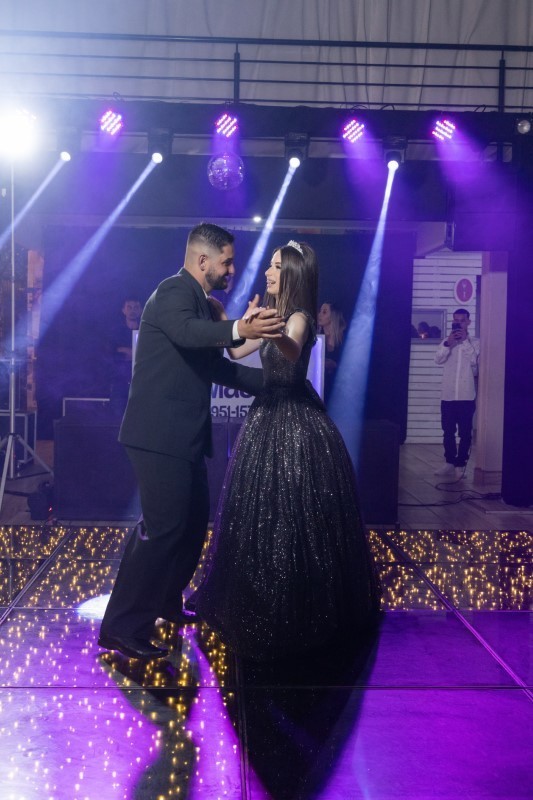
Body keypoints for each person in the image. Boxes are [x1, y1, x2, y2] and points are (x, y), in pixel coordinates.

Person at [98, 223, 285, 660]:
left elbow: (214, 367)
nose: (232, 270)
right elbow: (188, 333)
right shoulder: (173, 293)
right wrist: (240, 327)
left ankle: (165, 600)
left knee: (192, 523)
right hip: (157, 435)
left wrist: (274, 384)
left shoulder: (201, 303)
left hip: (183, 437)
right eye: (227, 262)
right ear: (203, 261)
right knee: (162, 530)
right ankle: (121, 628)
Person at [194, 241, 381, 660]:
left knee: (296, 512)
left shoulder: (298, 317)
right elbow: (236, 350)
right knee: (260, 513)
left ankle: (298, 606)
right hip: (266, 414)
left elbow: (293, 349)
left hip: (295, 420)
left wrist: (271, 329)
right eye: (270, 265)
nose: (268, 272)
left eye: (276, 266)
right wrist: (228, 319)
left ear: (293, 273)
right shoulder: (273, 314)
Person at [434, 308, 480, 477]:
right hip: (448, 395)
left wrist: (464, 342)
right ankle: (449, 462)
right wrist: (449, 344)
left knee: (465, 433)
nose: (459, 323)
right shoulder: (447, 341)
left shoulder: (476, 342)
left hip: (466, 395)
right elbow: (438, 359)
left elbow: (475, 361)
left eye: (462, 320)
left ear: (468, 322)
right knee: (448, 431)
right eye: (456, 320)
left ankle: (460, 465)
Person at [107, 296, 143, 417]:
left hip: (140, 383)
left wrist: (125, 350)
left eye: (136, 307)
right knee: (116, 419)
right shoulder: (115, 332)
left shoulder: (146, 331)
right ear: (123, 310)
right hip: (120, 383)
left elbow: (148, 354)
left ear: (141, 310)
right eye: (129, 307)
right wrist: (134, 353)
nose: (133, 310)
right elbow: (112, 354)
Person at [317, 301, 346, 403]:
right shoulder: (316, 338)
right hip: (320, 388)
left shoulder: (344, 340)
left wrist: (334, 364)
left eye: (324, 312)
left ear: (333, 316)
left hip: (339, 390)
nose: (319, 315)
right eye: (320, 311)